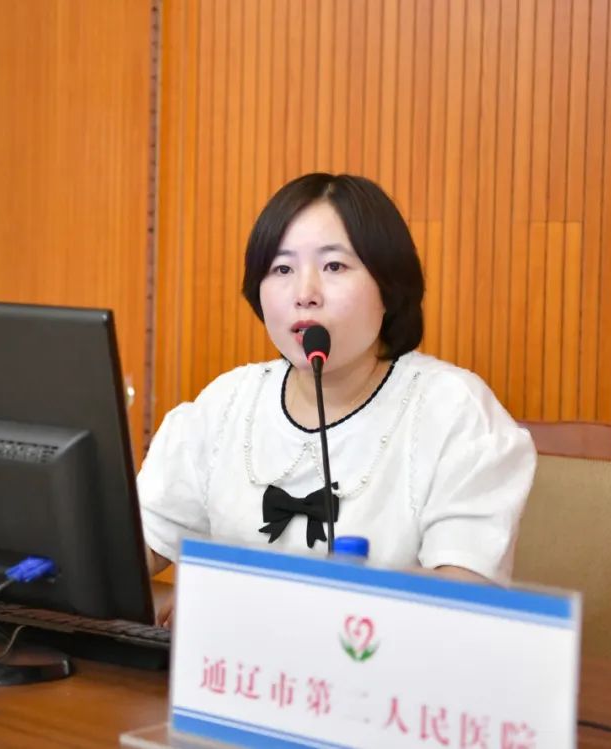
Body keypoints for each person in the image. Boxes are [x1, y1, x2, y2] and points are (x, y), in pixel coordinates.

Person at [138, 173, 535, 625]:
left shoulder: (453, 411)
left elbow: (465, 598)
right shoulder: (228, 403)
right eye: (282, 269)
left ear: (388, 287)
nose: (305, 294)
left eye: (334, 267)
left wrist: (250, 605)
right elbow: (135, 546)